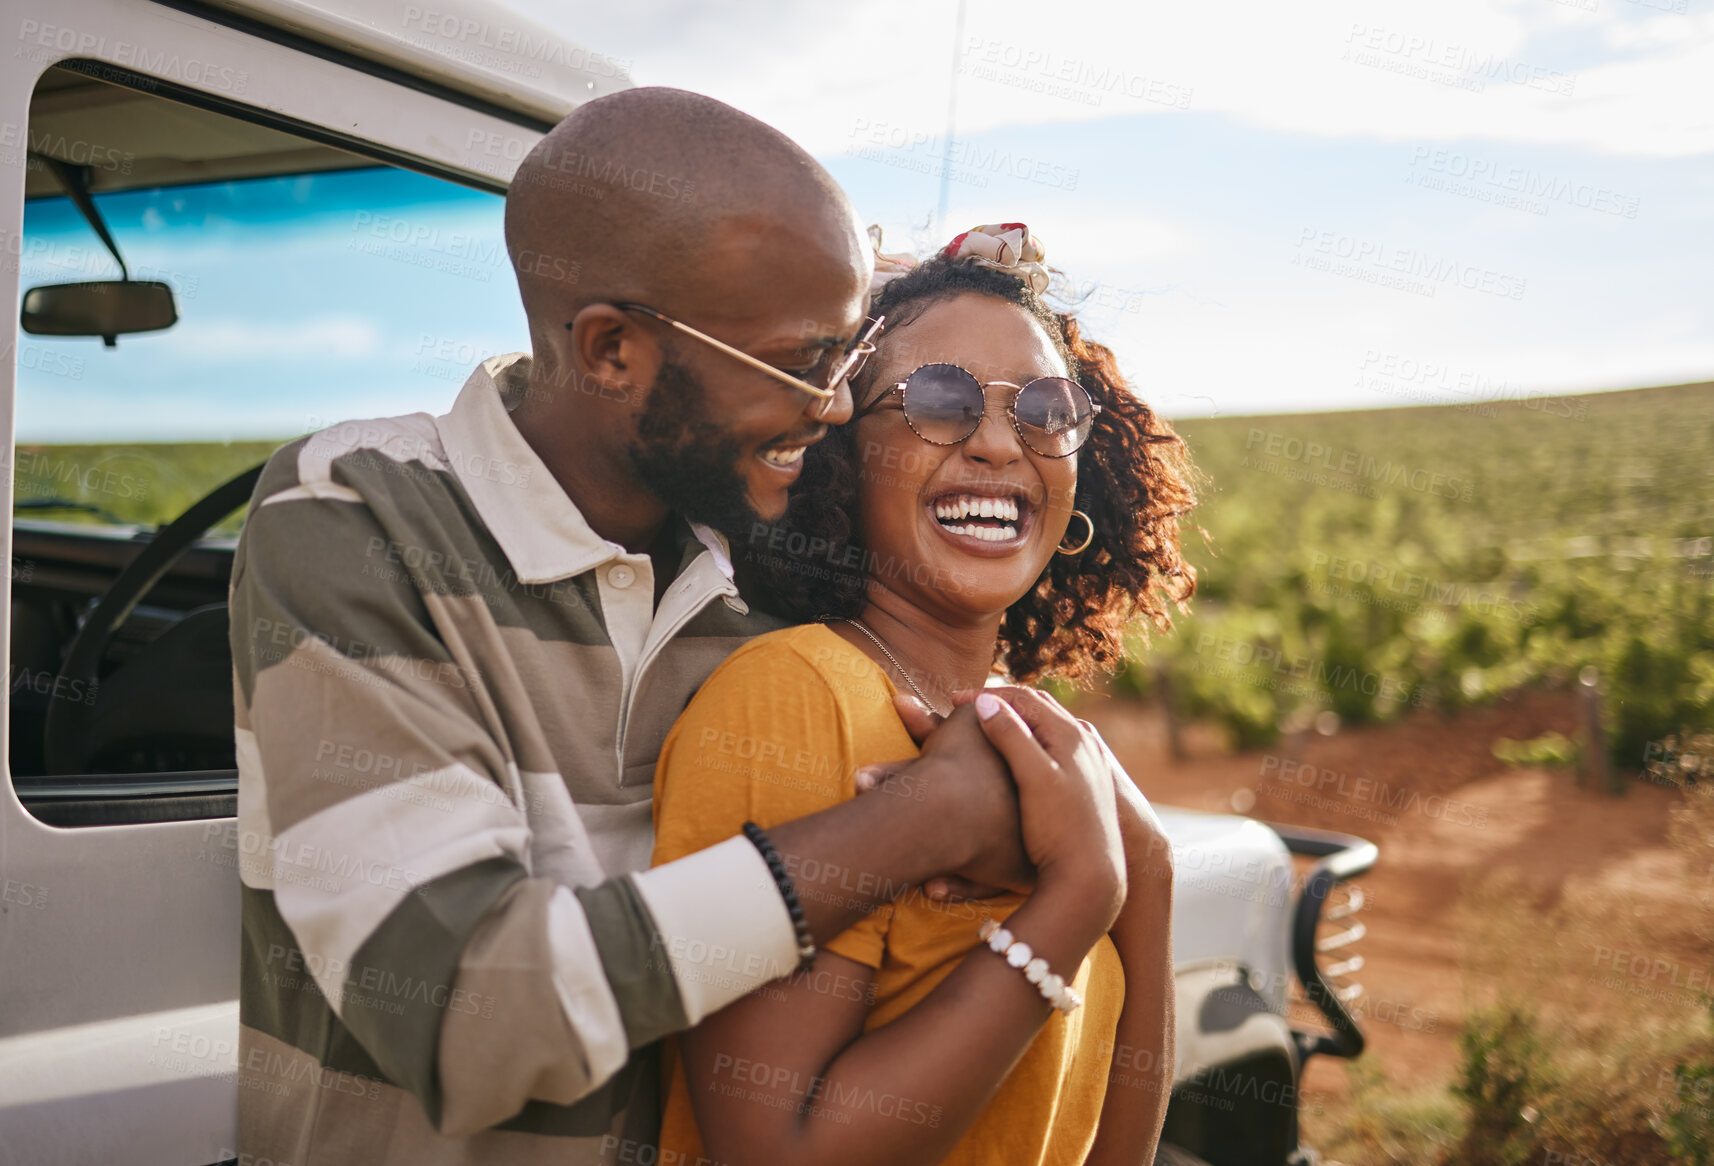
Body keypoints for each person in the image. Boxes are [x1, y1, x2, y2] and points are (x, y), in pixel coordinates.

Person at [231, 94, 1119, 1165]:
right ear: (611, 351)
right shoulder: (358, 515)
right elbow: (470, 1013)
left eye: (844, 360)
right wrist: (920, 826)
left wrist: (1130, 860)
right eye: (803, 360)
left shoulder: (765, 556)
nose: (834, 406)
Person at [651, 224, 1196, 1165]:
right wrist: (1078, 898)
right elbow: (774, 1149)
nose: (997, 442)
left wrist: (1146, 876)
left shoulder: (1028, 731)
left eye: (1044, 406)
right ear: (840, 455)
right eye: (937, 399)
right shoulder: (795, 699)